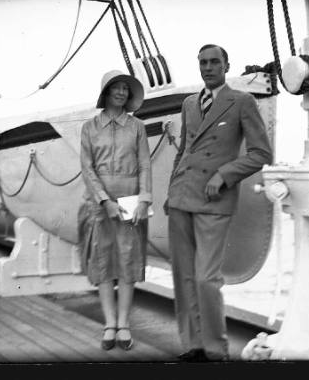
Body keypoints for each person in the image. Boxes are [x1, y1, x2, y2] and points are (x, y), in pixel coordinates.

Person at [164, 44, 273, 362]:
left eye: (214, 62)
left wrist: (224, 175)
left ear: (227, 65)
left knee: (206, 279)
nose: (208, 67)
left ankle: (215, 350)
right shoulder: (188, 103)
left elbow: (261, 154)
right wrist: (172, 190)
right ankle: (193, 345)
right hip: (181, 199)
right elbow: (184, 148)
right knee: (183, 277)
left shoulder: (242, 102)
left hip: (214, 200)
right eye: (202, 62)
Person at [78, 70, 151, 351]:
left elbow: (145, 164)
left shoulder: (137, 127)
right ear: (106, 92)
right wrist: (104, 201)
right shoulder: (89, 127)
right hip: (99, 204)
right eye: (116, 88)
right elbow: (87, 167)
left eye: (125, 89)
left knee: (129, 262)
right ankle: (109, 323)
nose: (121, 92)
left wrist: (144, 199)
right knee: (104, 261)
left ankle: (124, 324)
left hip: (131, 200)